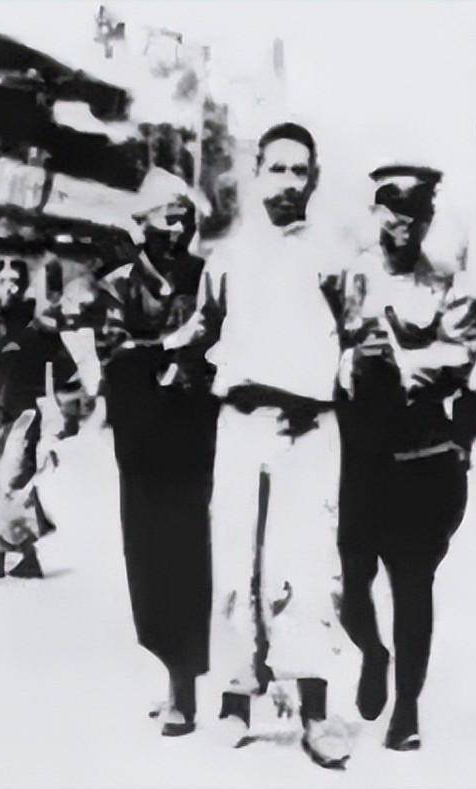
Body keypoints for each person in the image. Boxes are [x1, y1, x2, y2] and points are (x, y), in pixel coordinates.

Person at [169, 122, 350, 769]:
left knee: (308, 563)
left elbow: (351, 338)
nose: (289, 183)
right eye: (278, 169)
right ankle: (235, 700)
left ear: (315, 179)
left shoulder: (332, 257)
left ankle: (315, 710)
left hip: (311, 428)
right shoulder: (227, 257)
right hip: (242, 421)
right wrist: (163, 353)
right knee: (235, 557)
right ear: (257, 173)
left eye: (301, 171)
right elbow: (204, 328)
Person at [333, 163, 476, 751]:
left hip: (421, 455)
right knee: (352, 585)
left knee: (414, 585)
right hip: (357, 455)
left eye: (417, 211)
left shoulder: (446, 284)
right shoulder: (349, 277)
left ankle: (408, 710)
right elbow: (328, 344)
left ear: (429, 217)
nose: (404, 222)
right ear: (376, 210)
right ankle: (373, 653)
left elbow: (459, 357)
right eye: (393, 208)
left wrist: (400, 363)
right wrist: (350, 364)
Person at [93, 167, 218, 737]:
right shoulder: (118, 286)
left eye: (185, 217)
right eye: (168, 216)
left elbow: (220, 340)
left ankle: (186, 689)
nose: (179, 227)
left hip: (196, 436)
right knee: (148, 560)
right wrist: (170, 346)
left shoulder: (206, 276)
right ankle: (173, 673)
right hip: (142, 441)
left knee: (191, 557)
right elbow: (113, 354)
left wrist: (191, 358)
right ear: (140, 223)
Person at [0, 259, 80, 580]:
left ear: (24, 286)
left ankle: (23, 554)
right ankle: (8, 554)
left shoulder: (36, 325)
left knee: (13, 481)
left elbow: (66, 370)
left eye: (14, 280)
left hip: (24, 412)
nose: (8, 287)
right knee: (0, 484)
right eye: (0, 281)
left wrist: (63, 410)